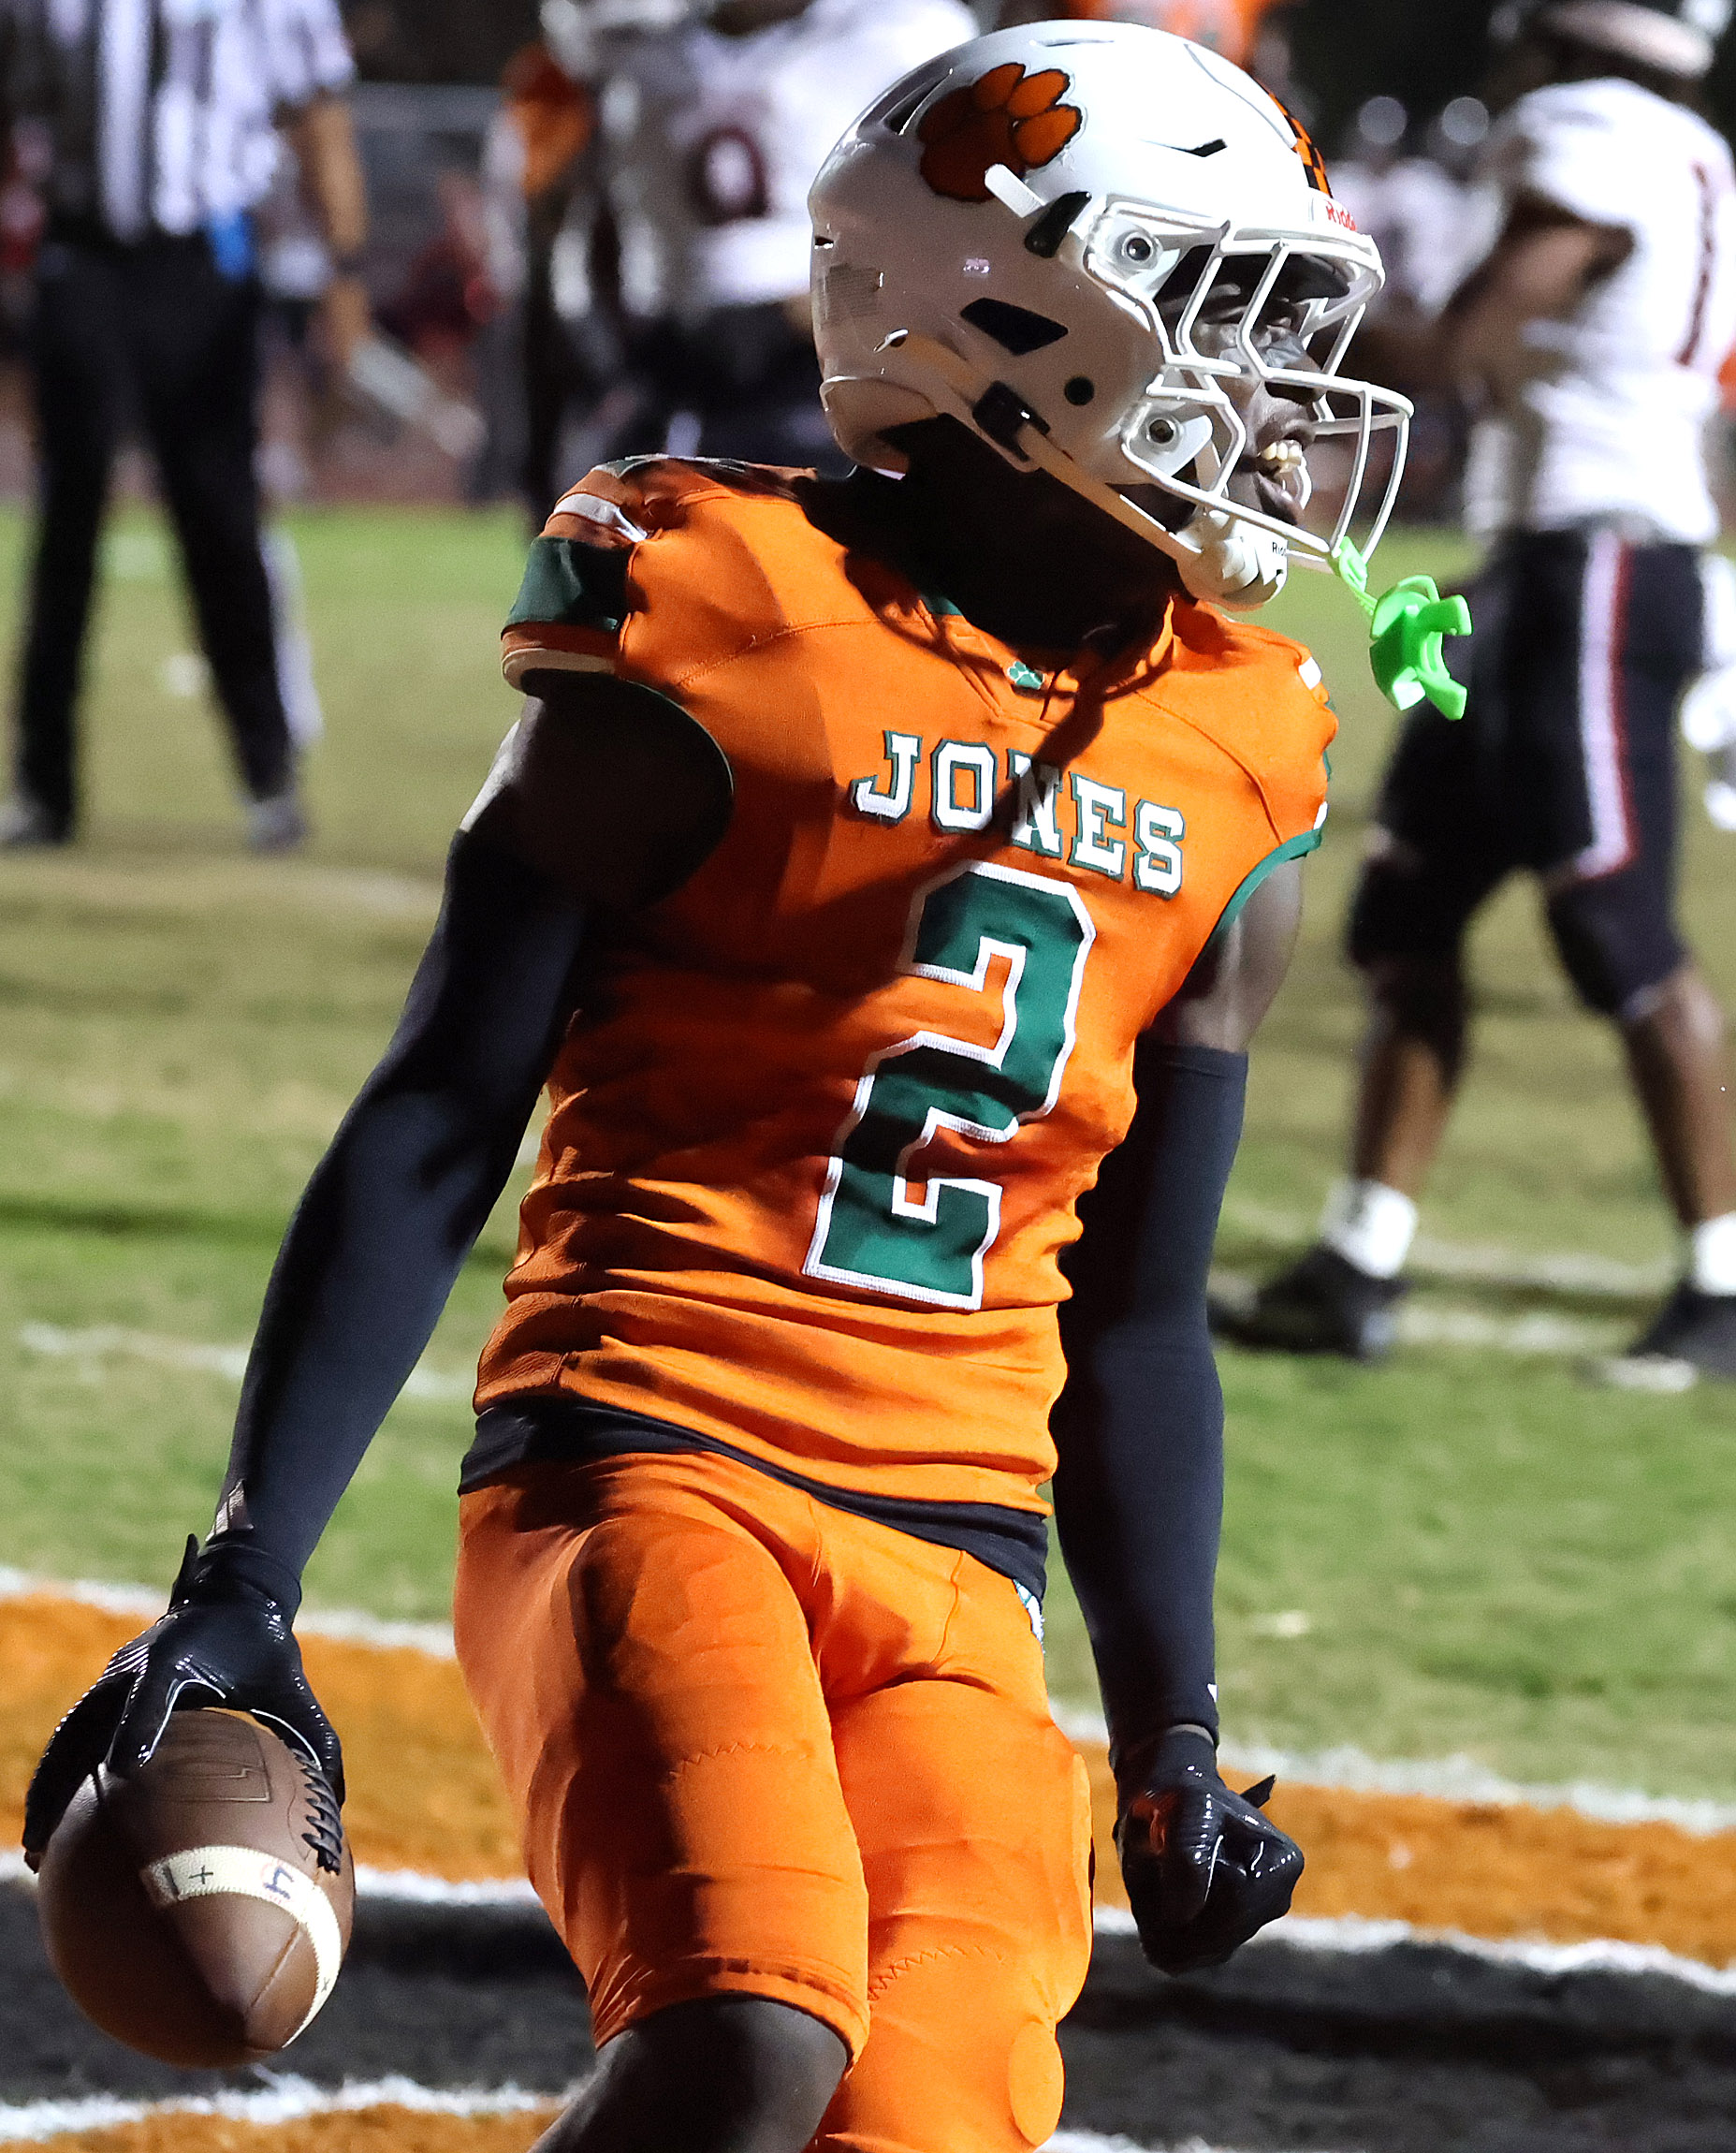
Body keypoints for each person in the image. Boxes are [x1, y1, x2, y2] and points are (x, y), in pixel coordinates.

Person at [22, 23, 1413, 2150]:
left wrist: (1174, 1730)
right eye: (1221, 312)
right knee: (750, 2033)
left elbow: (1142, 1311)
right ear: (1005, 309)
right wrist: (248, 1565)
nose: (1269, 395)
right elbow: (434, 1111)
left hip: (961, 1554)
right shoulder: (725, 595)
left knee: (930, 2120)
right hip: (652, 1451)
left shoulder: (1245, 739)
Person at [1224, 0, 1736, 1385]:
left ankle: (1720, 1275)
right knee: (1406, 910)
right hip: (1545, 558)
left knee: (1611, 919)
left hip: (1598, 566)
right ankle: (1359, 1257)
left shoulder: (1595, 135)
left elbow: (1465, 342)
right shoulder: (1674, 140)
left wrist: (1266, 297)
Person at [0, 0, 370, 854]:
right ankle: (41, 785)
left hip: (203, 259)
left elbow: (317, 108)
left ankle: (268, 778)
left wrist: (344, 270)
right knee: (64, 526)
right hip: (80, 253)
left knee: (221, 520)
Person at [559, 0, 976, 479]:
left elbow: (952, 217)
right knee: (603, 512)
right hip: (671, 352)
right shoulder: (629, 46)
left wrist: (854, 305)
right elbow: (589, 217)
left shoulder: (903, 32)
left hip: (818, 352)